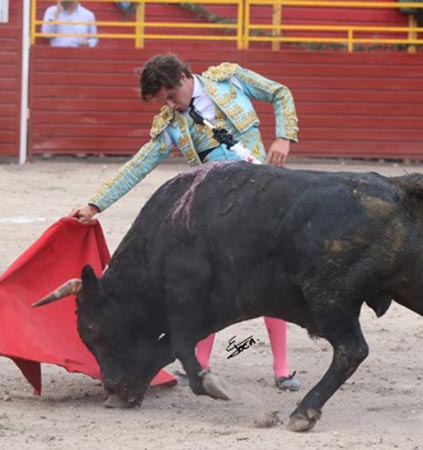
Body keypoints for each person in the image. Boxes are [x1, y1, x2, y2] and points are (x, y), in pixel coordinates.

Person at [70, 54, 301, 391]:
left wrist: (284, 137)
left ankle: (282, 368)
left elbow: (280, 92)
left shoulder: (229, 80)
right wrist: (95, 204)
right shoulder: (172, 123)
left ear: (181, 78)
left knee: (269, 277)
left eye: (169, 96)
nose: (169, 106)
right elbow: (138, 165)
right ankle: (202, 363)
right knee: (212, 282)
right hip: (215, 210)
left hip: (260, 193)